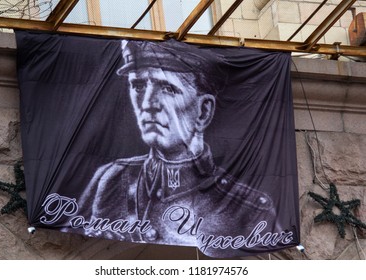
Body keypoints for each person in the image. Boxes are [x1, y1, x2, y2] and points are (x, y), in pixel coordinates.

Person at [80, 40, 285, 257]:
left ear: (203, 112)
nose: (148, 103)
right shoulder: (111, 180)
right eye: (139, 86)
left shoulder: (249, 211)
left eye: (168, 88)